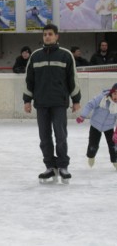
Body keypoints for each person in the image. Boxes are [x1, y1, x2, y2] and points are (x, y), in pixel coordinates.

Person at [23, 24, 81, 184]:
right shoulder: (35, 56)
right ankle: (50, 167)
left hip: (59, 103)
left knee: (61, 136)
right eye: (45, 34)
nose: (47, 37)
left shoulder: (66, 55)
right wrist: (27, 100)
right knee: (44, 137)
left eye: (50, 34)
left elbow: (72, 80)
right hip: (41, 103)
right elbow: (29, 81)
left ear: (56, 36)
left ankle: (63, 166)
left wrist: (76, 100)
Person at [77, 83, 117, 169]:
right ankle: (91, 156)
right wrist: (82, 116)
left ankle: (115, 161)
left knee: (113, 145)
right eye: (115, 93)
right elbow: (90, 104)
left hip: (109, 127)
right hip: (95, 125)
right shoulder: (102, 98)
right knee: (93, 145)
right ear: (111, 93)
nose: (116, 97)